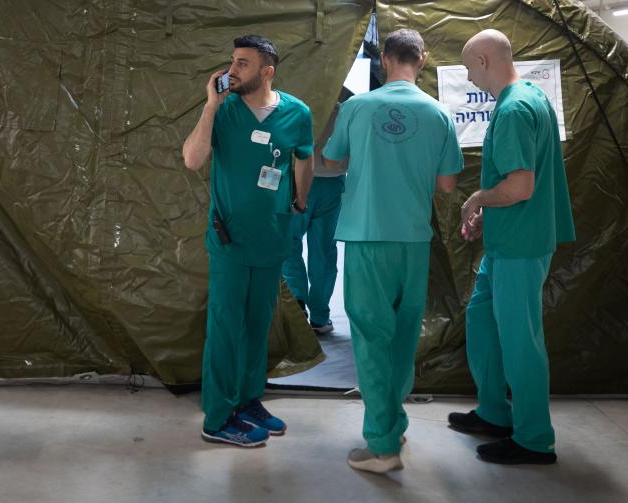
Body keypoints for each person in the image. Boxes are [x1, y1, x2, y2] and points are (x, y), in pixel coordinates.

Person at [322, 28, 463, 473]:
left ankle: (382, 447)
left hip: (368, 237)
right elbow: (447, 184)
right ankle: (394, 424)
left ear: (384, 58)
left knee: (370, 338)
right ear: (423, 59)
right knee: (403, 337)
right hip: (414, 240)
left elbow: (333, 160)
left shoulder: (357, 107)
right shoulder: (439, 113)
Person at [450, 29, 575, 466]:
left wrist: (477, 199)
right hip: (510, 239)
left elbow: (520, 186)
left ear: (483, 61)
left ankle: (534, 439)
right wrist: (491, 213)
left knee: (521, 341)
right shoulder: (529, 98)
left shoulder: (514, 108)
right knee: (482, 318)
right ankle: (494, 412)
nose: (469, 77)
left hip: (521, 245)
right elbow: (520, 182)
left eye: (468, 68)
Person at [182, 34, 314, 448]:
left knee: (258, 328)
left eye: (243, 63)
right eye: (232, 61)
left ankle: (246, 400)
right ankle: (218, 418)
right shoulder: (224, 111)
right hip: (230, 241)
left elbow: (305, 156)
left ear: (267, 71)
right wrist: (210, 105)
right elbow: (192, 159)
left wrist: (299, 200)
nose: (232, 70)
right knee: (226, 329)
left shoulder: (297, 113)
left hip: (271, 239)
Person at [282, 102, 346, 334]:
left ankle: (297, 303)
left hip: (296, 177)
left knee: (289, 243)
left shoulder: (296, 96)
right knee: (324, 249)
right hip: (331, 179)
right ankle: (320, 316)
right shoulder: (348, 104)